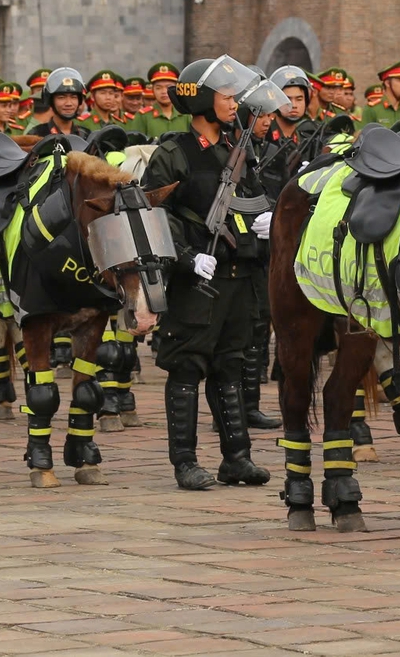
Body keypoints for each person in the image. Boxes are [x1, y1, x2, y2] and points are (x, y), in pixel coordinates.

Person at [141, 56, 276, 491]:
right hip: (198, 278)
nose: (234, 103)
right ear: (201, 99)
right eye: (226, 96)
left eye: (235, 95)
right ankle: (185, 462)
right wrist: (185, 257)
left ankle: (237, 458)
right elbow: (151, 216)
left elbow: (254, 197)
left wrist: (266, 222)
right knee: (186, 367)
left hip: (239, 275)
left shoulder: (237, 148)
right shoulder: (174, 153)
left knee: (231, 366)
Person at [27, 68, 92, 138]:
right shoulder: (36, 135)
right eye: (61, 97)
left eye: (73, 97)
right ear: (51, 101)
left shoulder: (87, 136)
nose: (68, 103)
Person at [129, 63, 190, 137]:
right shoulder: (143, 116)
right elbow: (134, 144)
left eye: (169, 87)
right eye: (158, 88)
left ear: (176, 89)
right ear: (153, 90)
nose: (164, 92)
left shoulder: (185, 115)